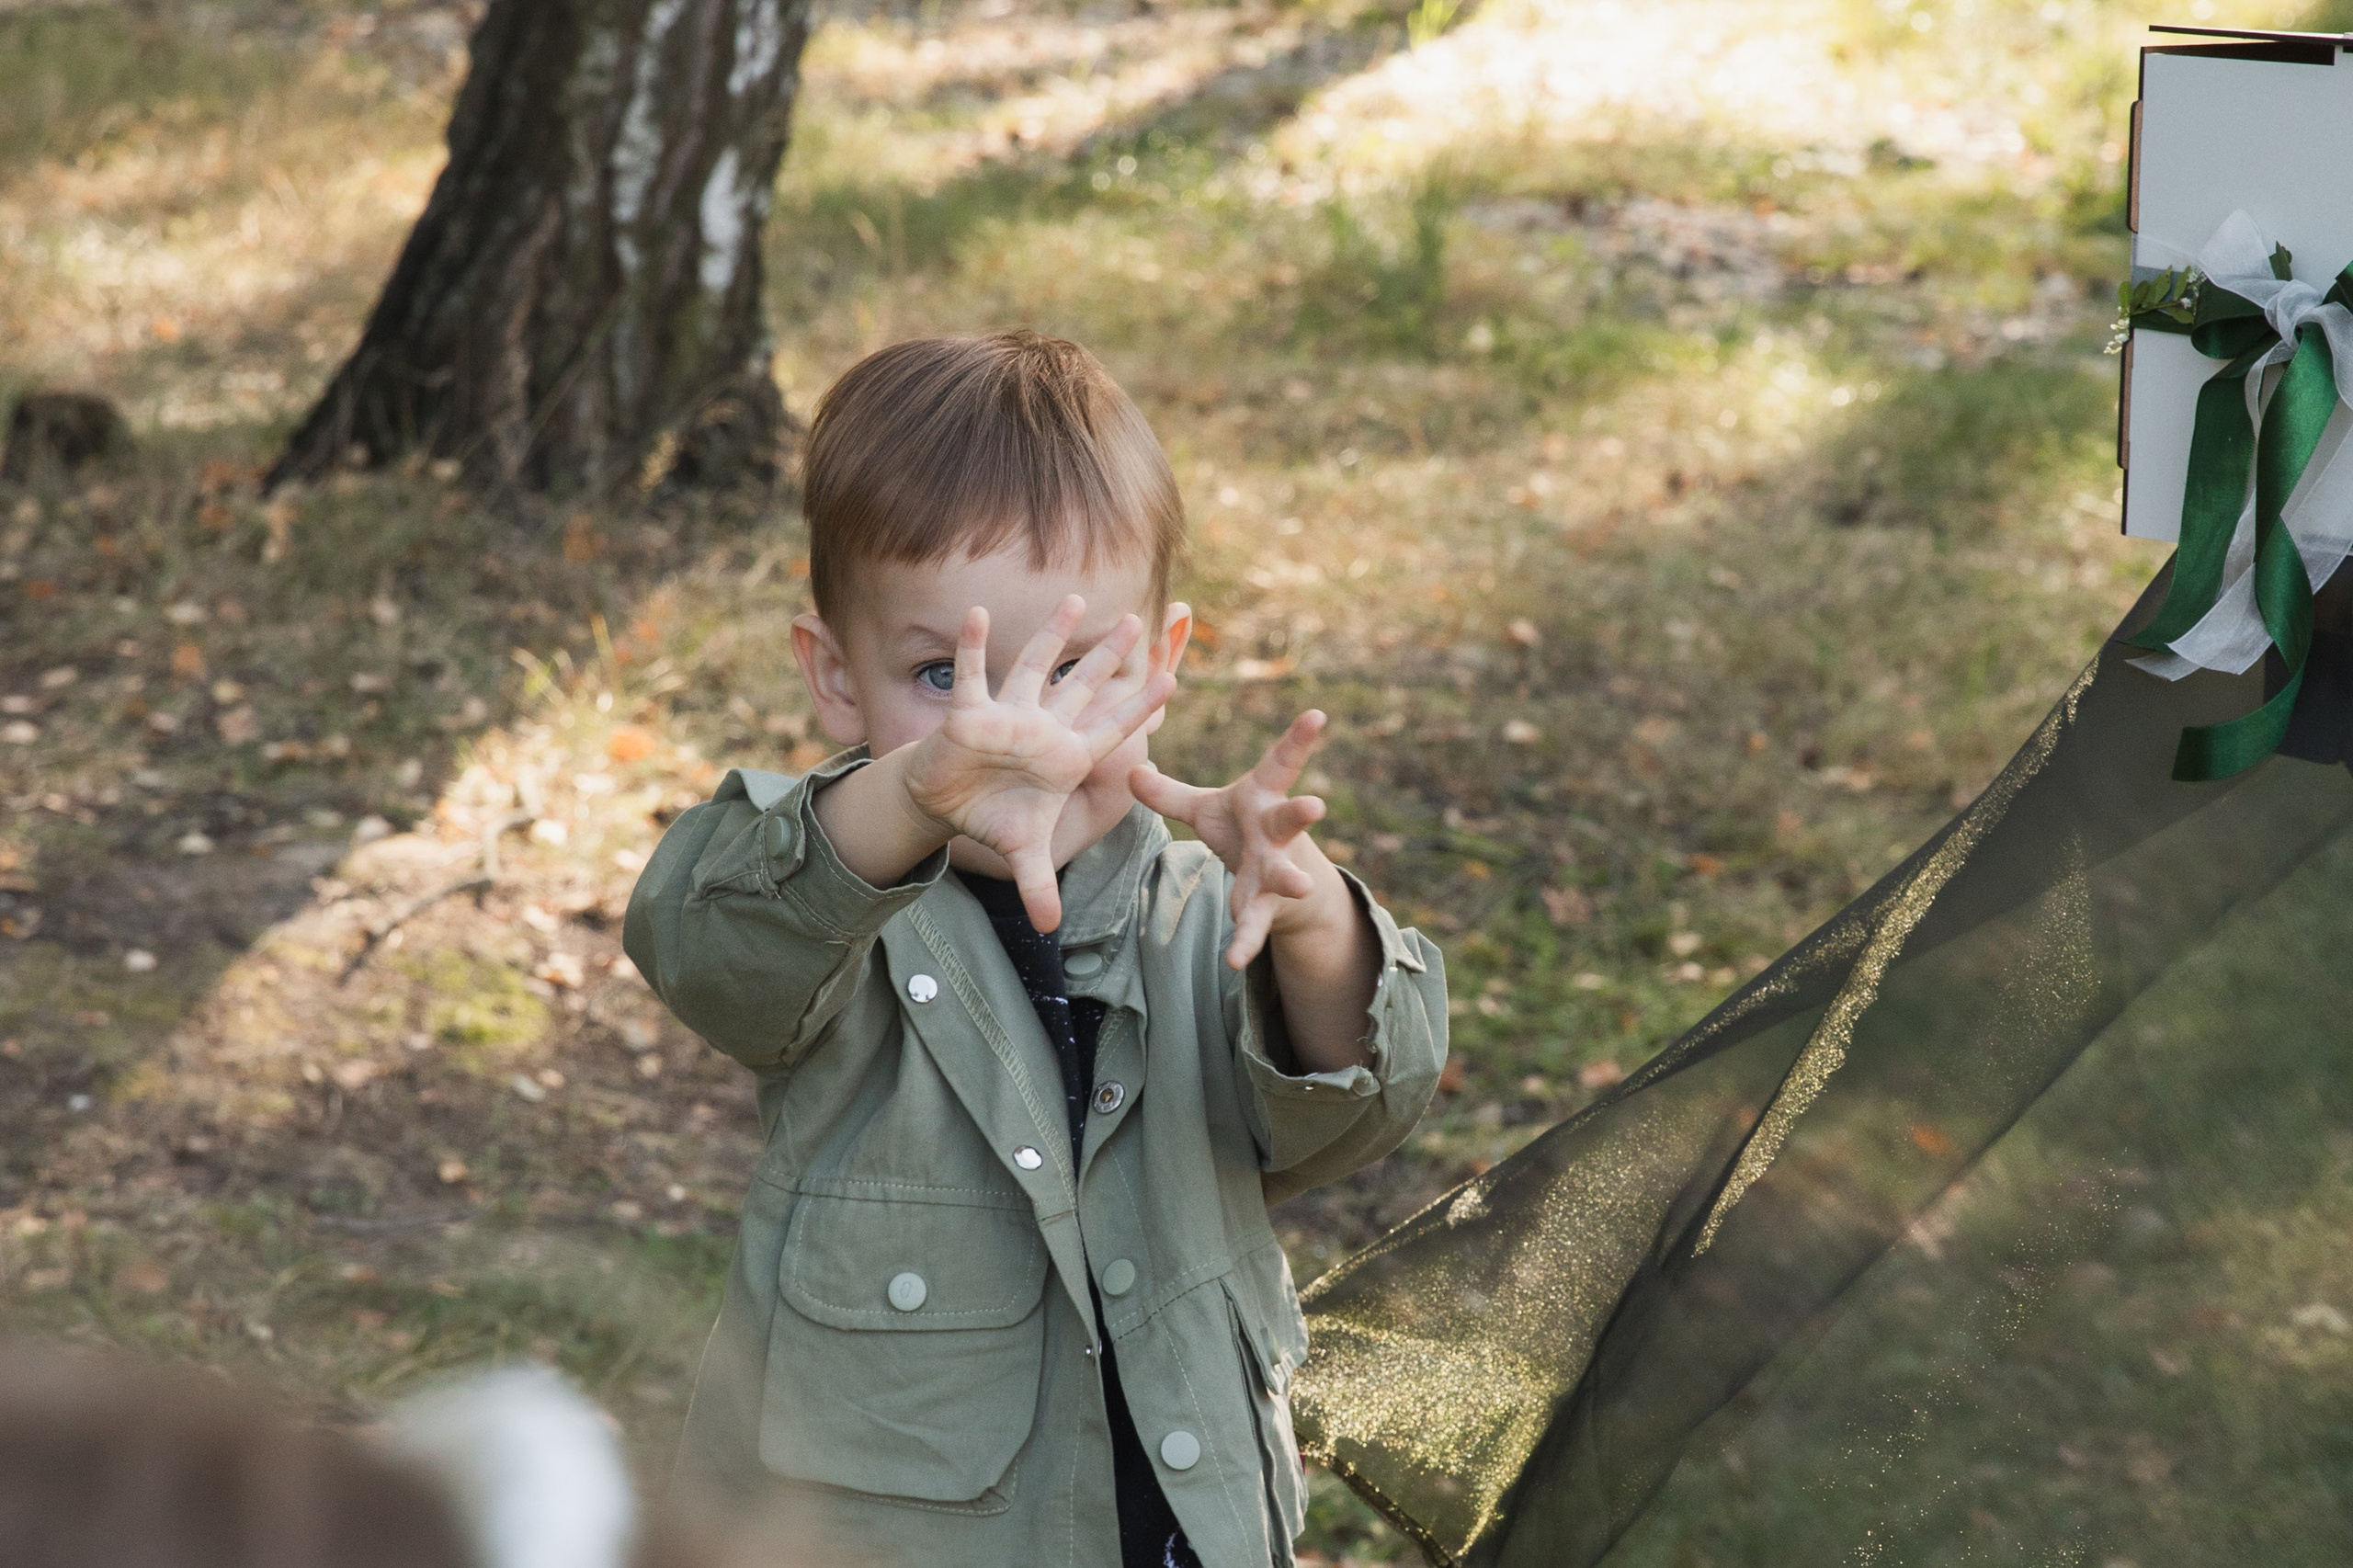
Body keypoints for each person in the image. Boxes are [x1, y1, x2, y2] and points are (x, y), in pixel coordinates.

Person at [624, 330, 1449, 1568]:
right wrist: (912, 796)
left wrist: (1315, 918)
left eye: (1068, 668)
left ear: (1161, 664)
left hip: (1177, 1522)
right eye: (945, 674)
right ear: (837, 678)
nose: (1014, 729)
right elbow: (708, 945)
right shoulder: (833, 891)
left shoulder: (1190, 904)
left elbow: (1350, 1113)